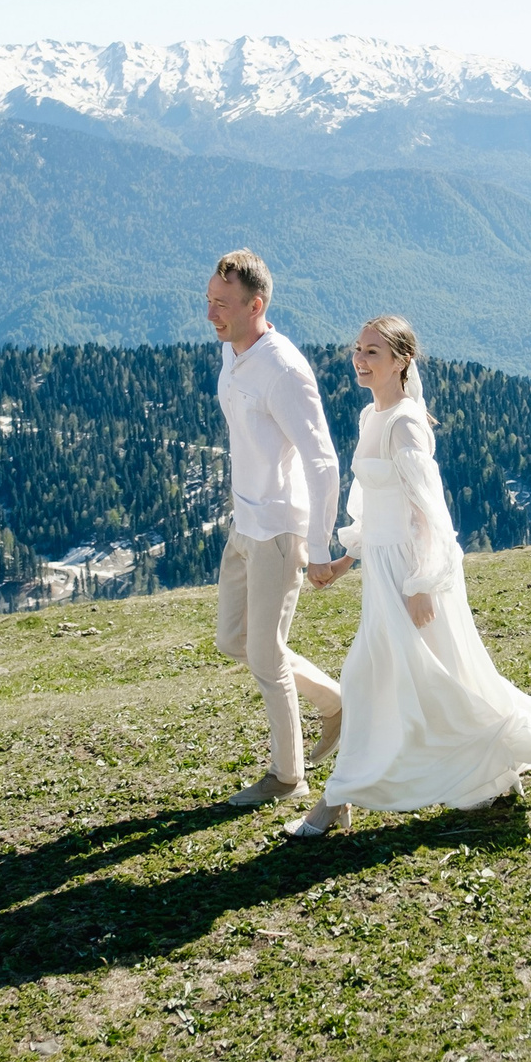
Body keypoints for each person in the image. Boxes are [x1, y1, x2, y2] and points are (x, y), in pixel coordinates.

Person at [286, 316, 531, 838]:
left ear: (402, 361)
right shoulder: (371, 416)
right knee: (418, 679)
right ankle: (486, 770)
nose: (361, 361)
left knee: (398, 678)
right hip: (382, 569)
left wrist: (424, 583)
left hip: (410, 572)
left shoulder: (406, 422)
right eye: (358, 350)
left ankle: (338, 799)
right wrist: (348, 558)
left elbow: (428, 511)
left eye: (374, 353)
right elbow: (373, 506)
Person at [205, 249, 344, 807]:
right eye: (209, 300)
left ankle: (288, 777)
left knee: (266, 654)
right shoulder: (235, 352)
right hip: (246, 524)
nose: (210, 313)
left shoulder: (284, 369)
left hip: (281, 533)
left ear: (255, 305)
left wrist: (316, 547)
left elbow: (322, 460)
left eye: (221, 304)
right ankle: (337, 702)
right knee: (233, 640)